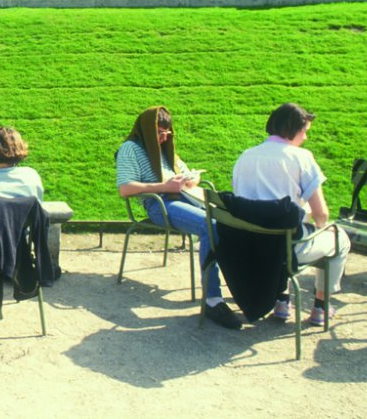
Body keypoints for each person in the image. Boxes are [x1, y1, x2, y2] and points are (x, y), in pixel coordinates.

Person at [115, 106, 242, 329]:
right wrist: (165, 186)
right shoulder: (130, 149)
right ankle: (213, 300)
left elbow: (183, 173)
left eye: (167, 134)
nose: (164, 139)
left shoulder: (166, 150)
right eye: (159, 133)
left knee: (229, 222)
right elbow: (125, 188)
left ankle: (242, 287)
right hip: (160, 204)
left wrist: (190, 179)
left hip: (186, 198)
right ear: (145, 129)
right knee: (210, 226)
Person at [231, 103, 350, 327]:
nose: (305, 138)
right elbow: (321, 213)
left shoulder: (245, 157)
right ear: (292, 129)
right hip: (286, 248)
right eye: (304, 131)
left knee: (281, 228)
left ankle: (282, 301)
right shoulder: (300, 158)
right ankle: (321, 307)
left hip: (250, 245)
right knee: (339, 237)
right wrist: (318, 223)